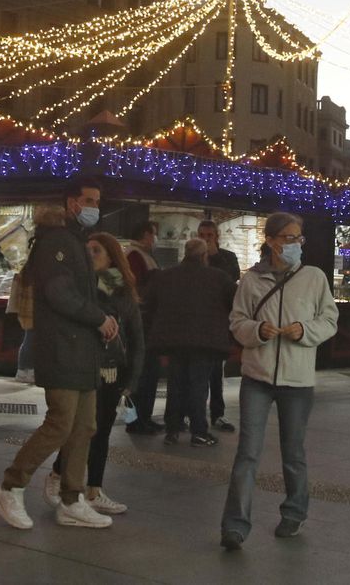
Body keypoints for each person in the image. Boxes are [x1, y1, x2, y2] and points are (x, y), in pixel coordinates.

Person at [0, 180, 118, 531]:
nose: (94, 206)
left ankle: (72, 500)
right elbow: (59, 293)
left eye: (97, 201)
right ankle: (10, 486)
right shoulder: (58, 241)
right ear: (71, 202)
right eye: (88, 200)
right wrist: (99, 317)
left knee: (84, 426)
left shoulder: (74, 239)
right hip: (63, 347)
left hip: (82, 349)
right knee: (60, 422)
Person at [219, 212, 339, 550]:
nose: (295, 244)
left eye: (299, 238)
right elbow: (236, 321)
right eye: (288, 238)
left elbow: (329, 319)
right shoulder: (251, 280)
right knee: (247, 453)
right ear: (271, 241)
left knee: (293, 451)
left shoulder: (314, 277)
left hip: (297, 379)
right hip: (257, 376)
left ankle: (294, 511)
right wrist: (257, 331)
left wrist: (305, 331)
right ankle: (235, 524)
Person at [48, 230, 146, 516]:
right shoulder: (79, 288)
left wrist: (132, 380)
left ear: (112, 257)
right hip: (83, 370)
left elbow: (137, 339)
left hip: (113, 373)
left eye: (96, 251)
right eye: (87, 250)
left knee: (100, 432)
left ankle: (93, 490)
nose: (90, 256)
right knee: (79, 430)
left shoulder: (123, 291)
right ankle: (58, 477)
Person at [146, 237, 235, 446]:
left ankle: (173, 429)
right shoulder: (218, 277)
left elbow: (150, 304)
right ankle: (199, 432)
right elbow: (234, 301)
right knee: (198, 385)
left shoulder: (166, 276)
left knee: (175, 384)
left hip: (174, 341)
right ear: (204, 256)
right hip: (205, 341)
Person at [122, 221, 165, 435]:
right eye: (153, 234)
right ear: (146, 234)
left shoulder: (143, 255)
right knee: (140, 373)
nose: (155, 239)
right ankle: (134, 420)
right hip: (141, 321)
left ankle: (145, 417)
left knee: (150, 373)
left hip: (150, 322)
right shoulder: (134, 255)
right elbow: (137, 287)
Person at [198, 219, 240, 432]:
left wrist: (214, 256)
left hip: (218, 324)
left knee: (216, 372)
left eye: (209, 236)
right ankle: (194, 415)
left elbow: (232, 279)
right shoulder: (193, 259)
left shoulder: (227, 258)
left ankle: (217, 414)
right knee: (196, 374)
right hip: (196, 324)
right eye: (202, 236)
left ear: (217, 237)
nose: (205, 240)